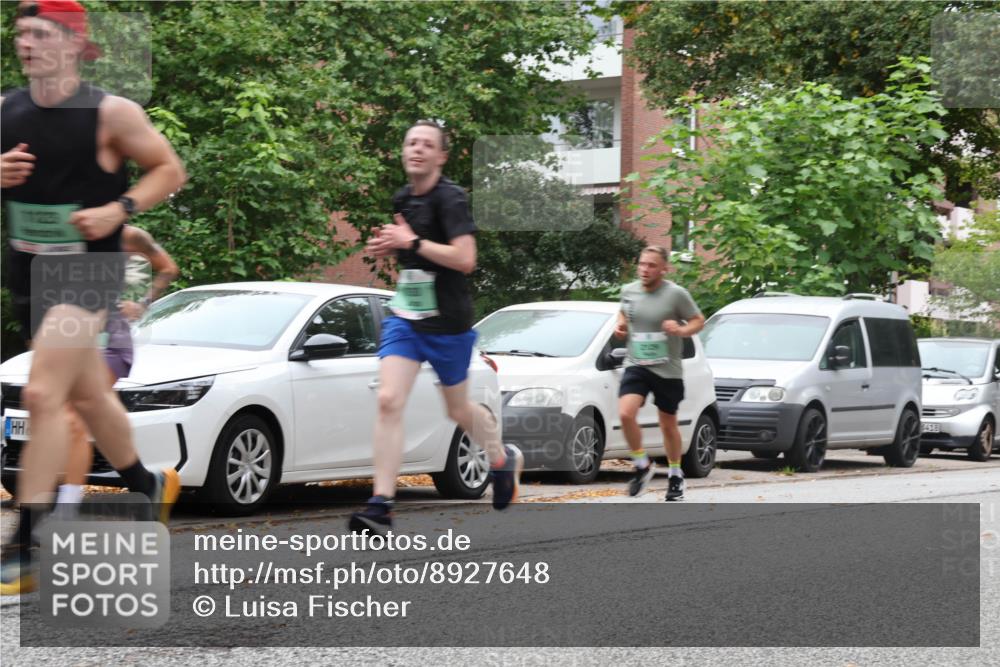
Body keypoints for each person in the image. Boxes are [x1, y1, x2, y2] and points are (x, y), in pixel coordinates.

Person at [0, 0, 187, 595]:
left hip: (87, 272)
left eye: (39, 33)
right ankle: (147, 483)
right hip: (28, 270)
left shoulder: (111, 113)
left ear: (74, 43)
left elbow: (168, 169)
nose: (25, 43)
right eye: (21, 33)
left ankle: (27, 541)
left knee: (42, 394)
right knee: (86, 394)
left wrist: (119, 208)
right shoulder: (6, 109)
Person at [350, 120, 522, 534]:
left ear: (441, 156)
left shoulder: (451, 198)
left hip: (447, 323)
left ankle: (501, 459)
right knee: (388, 399)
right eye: (411, 142)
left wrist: (410, 243)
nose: (417, 149)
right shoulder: (403, 198)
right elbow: (414, 256)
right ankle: (381, 505)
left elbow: (465, 259)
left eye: (427, 144)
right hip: (406, 318)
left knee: (457, 410)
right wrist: (390, 246)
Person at [55, 224, 180, 518]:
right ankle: (147, 484)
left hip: (110, 343)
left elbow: (168, 268)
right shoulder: (68, 229)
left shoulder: (129, 235)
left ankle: (65, 509)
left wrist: (142, 303)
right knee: (96, 423)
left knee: (75, 417)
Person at [614, 245, 705, 501]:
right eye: (642, 264)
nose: (645, 269)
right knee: (625, 413)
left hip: (667, 368)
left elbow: (698, 321)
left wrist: (680, 330)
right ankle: (642, 464)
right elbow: (624, 312)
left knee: (668, 424)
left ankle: (675, 475)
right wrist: (620, 325)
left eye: (652, 265)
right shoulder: (628, 290)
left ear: (664, 269)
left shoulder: (676, 294)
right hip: (637, 363)